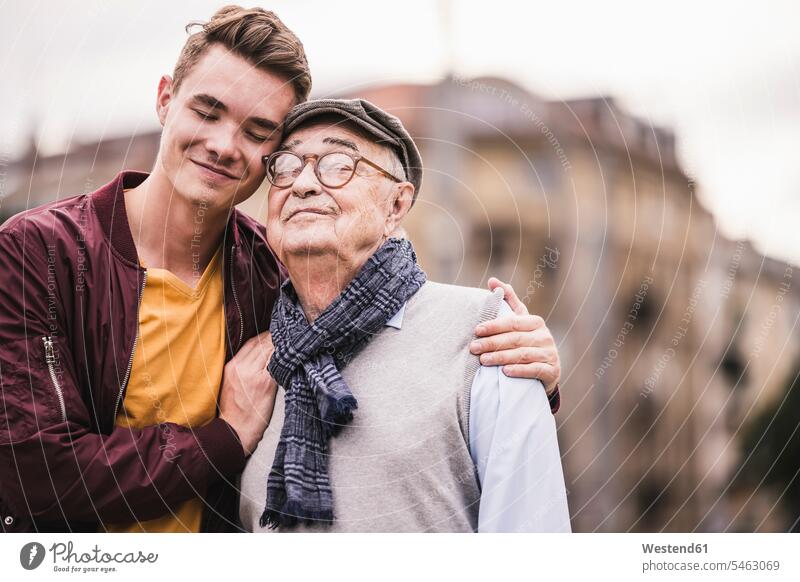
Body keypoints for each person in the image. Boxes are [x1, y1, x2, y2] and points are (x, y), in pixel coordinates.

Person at [0, 7, 562, 533]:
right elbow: (33, 475)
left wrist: (523, 379)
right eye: (207, 110)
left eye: (257, 132)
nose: (224, 145)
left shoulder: (274, 271)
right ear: (166, 99)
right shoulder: (41, 253)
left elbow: (379, 332)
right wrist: (225, 438)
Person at [238, 99, 570, 532]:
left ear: (396, 205)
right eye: (286, 165)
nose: (302, 183)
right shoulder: (252, 353)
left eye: (339, 164)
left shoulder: (488, 336)